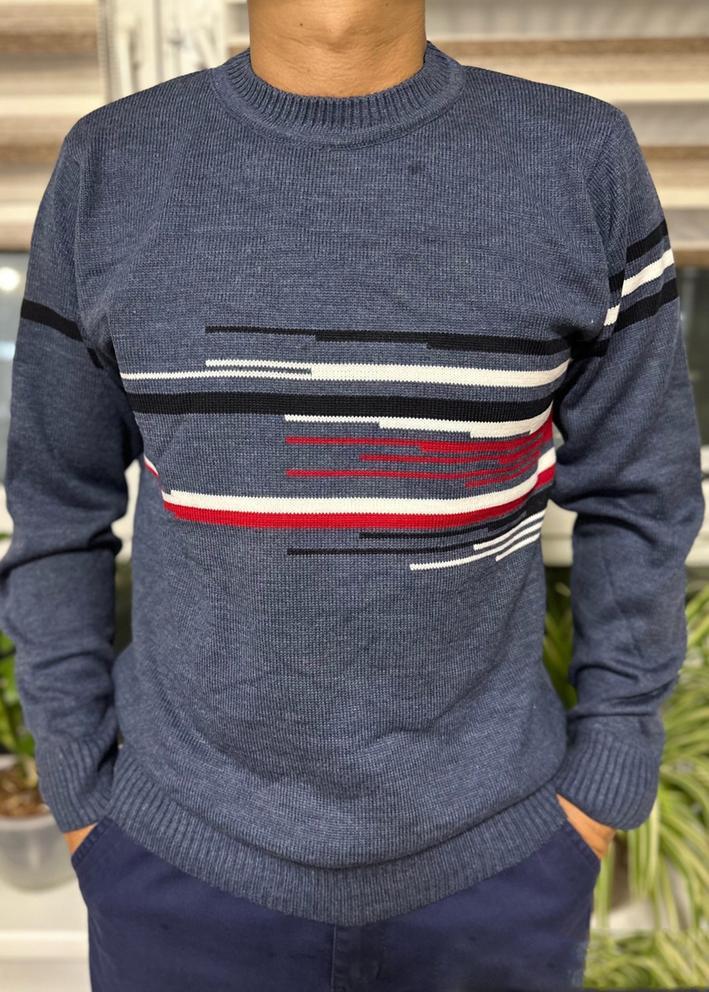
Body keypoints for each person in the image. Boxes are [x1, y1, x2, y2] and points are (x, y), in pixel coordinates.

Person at [0, 2, 704, 990]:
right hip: (174, 872)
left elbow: (642, 491)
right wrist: (81, 791)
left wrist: (600, 787)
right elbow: (54, 501)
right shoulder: (113, 165)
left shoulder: (575, 159)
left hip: (499, 874)